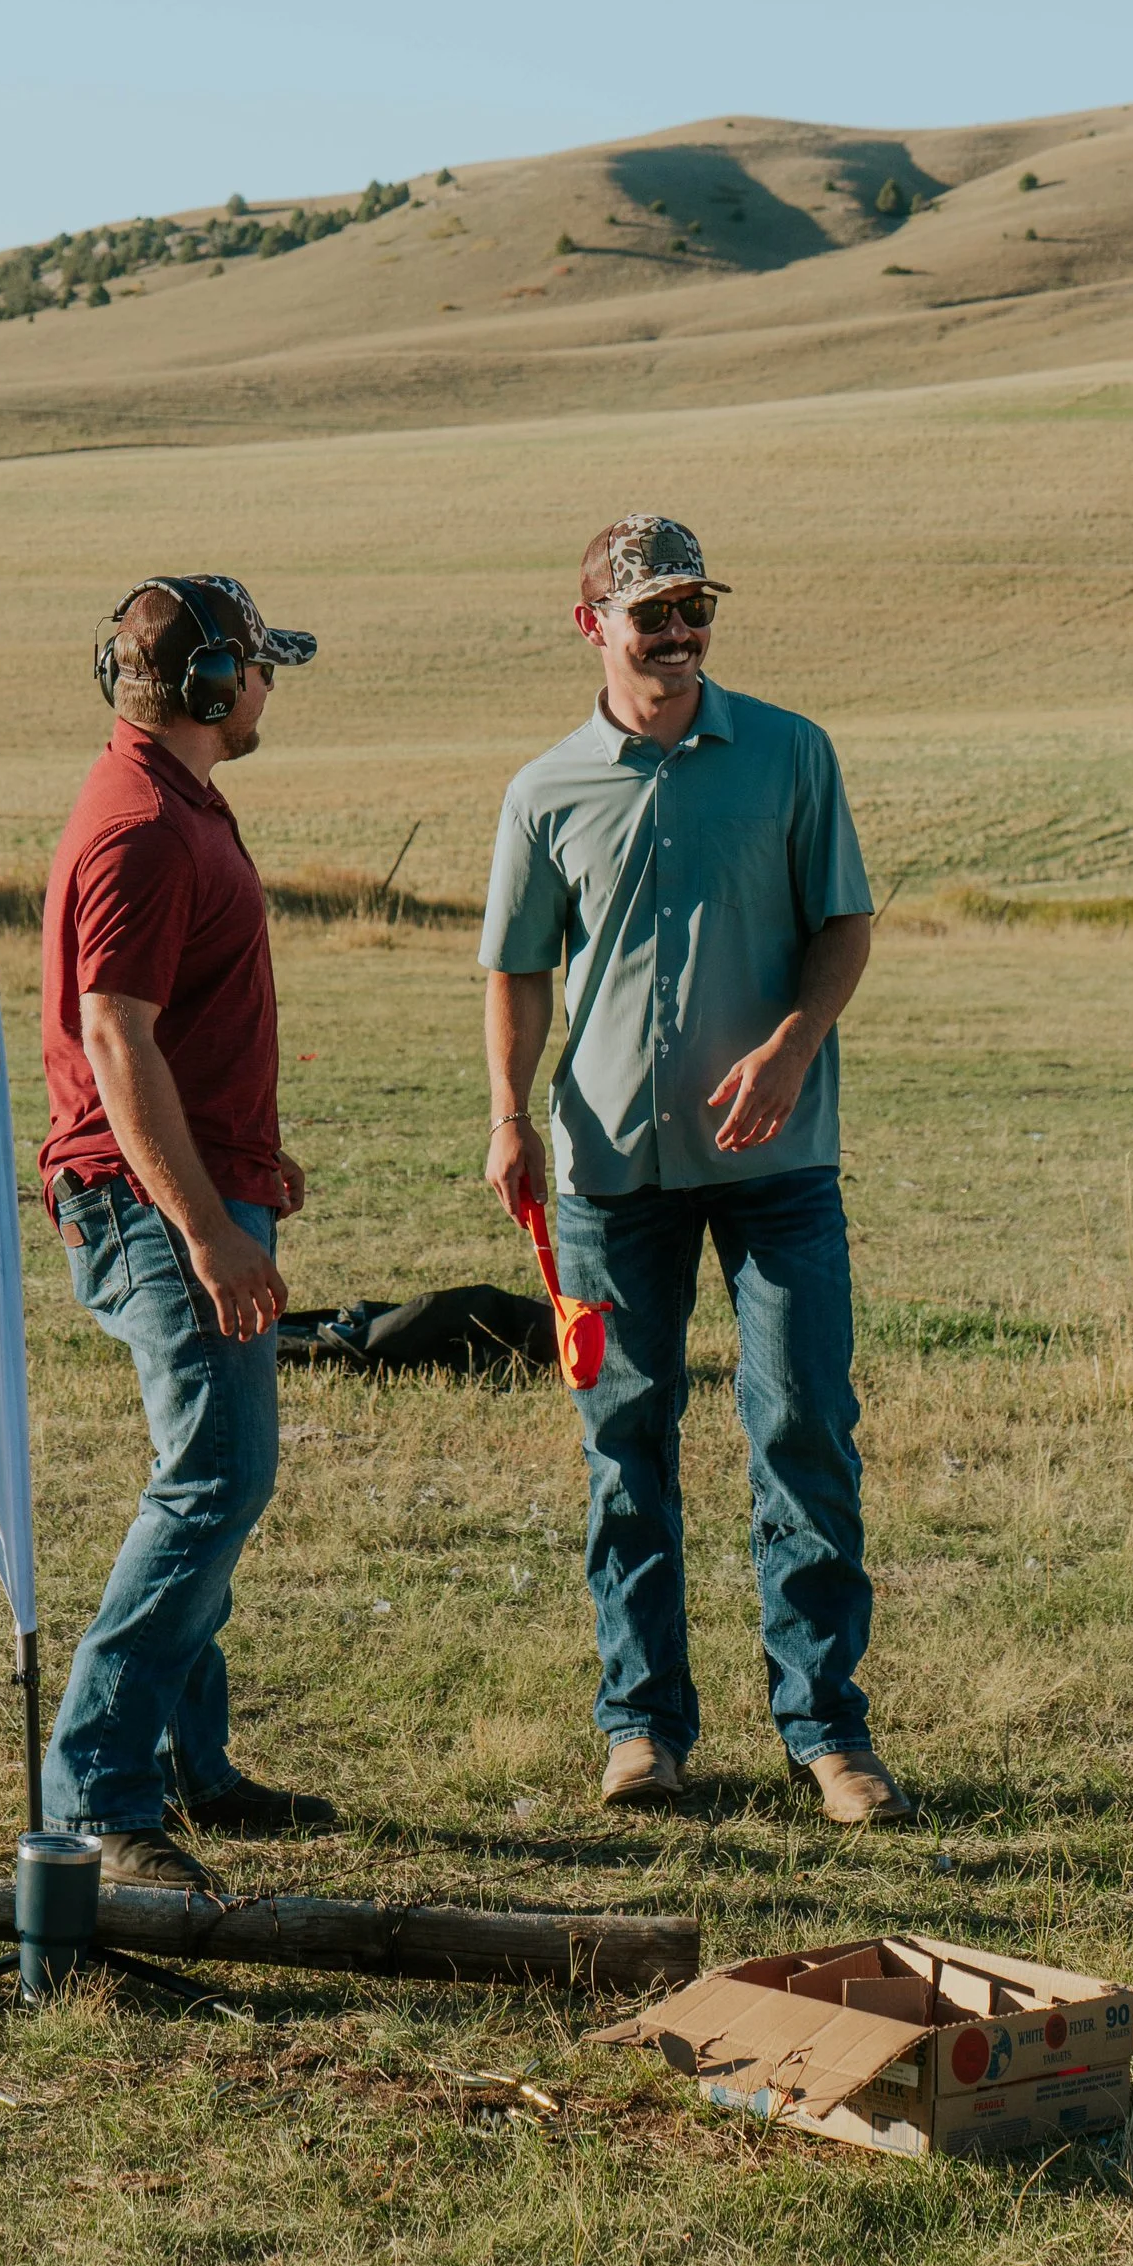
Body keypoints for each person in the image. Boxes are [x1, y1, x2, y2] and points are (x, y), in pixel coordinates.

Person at [478, 514, 906, 1825]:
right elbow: (517, 970)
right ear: (591, 626)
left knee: (801, 1431)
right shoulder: (546, 790)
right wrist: (507, 1117)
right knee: (627, 1444)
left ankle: (829, 1736)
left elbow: (845, 925)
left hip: (780, 1168)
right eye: (649, 610)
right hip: (610, 1172)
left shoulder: (790, 754)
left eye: (694, 607)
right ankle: (644, 1733)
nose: (677, 631)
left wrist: (791, 1045)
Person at [38, 571, 340, 1890]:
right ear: (217, 685)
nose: (272, 685)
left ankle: (186, 1770)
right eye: (263, 664)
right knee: (217, 1478)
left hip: (196, 1184)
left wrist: (253, 1166)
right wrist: (212, 1228)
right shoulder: (142, 827)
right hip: (157, 1205)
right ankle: (103, 1794)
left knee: (202, 1472)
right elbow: (115, 1037)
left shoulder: (175, 804)